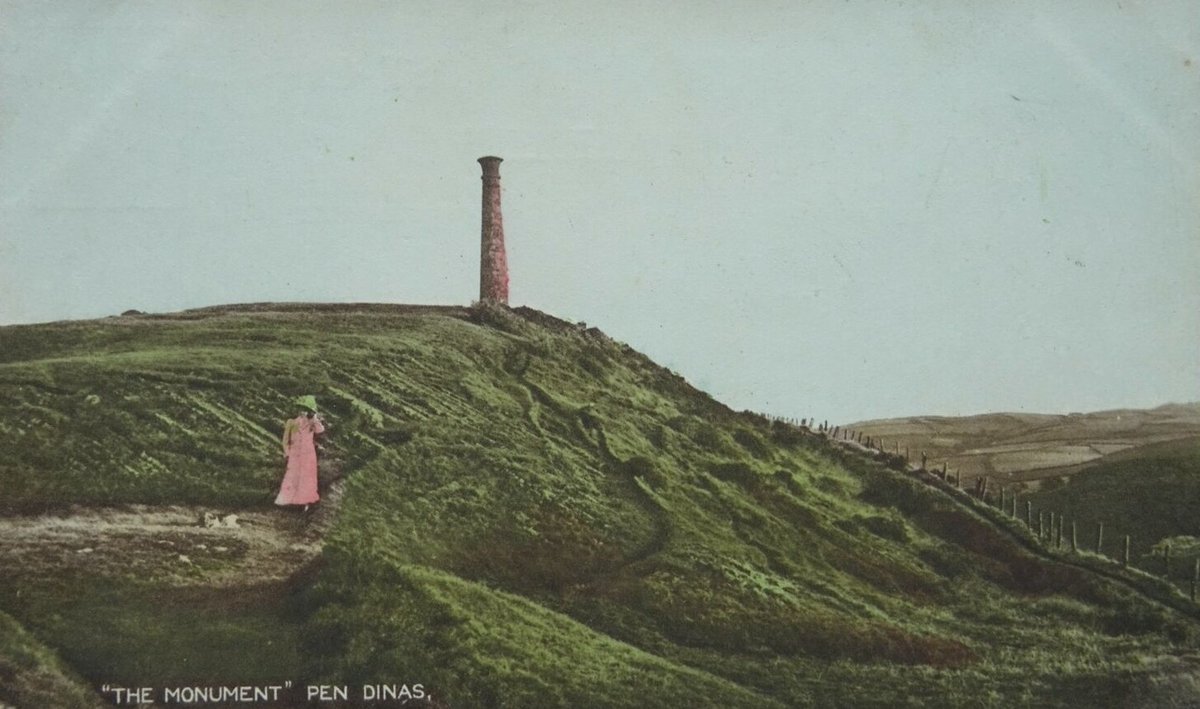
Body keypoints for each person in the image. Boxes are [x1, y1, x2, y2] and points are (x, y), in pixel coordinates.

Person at [275, 395, 326, 510]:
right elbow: (285, 440)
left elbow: (320, 430)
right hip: (295, 453)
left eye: (306, 410)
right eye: (301, 409)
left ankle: (304, 502)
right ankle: (288, 501)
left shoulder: (311, 423)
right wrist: (287, 453)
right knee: (292, 476)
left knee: (306, 477)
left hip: (308, 454)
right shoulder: (291, 422)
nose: (302, 412)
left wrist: (314, 418)